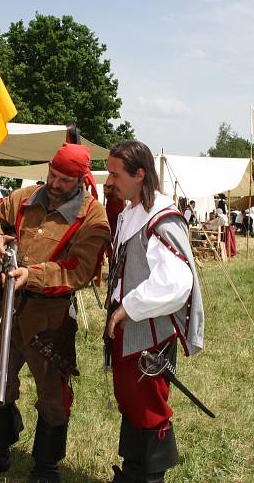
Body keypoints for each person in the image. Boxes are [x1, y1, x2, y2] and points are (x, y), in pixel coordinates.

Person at [0, 143, 110, 483]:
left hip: (49, 321)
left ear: (80, 180)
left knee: (53, 396)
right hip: (4, 310)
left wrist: (31, 275)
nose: (54, 183)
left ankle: (46, 467)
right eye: (52, 174)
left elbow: (78, 269)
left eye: (64, 180)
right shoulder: (26, 197)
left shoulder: (93, 217)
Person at [103, 140, 204, 483]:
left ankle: (151, 479)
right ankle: (132, 473)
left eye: (116, 174)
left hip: (149, 332)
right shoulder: (132, 211)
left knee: (149, 407)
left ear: (139, 174)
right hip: (129, 327)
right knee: (130, 401)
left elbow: (177, 283)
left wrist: (129, 307)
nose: (110, 180)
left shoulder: (162, 216)